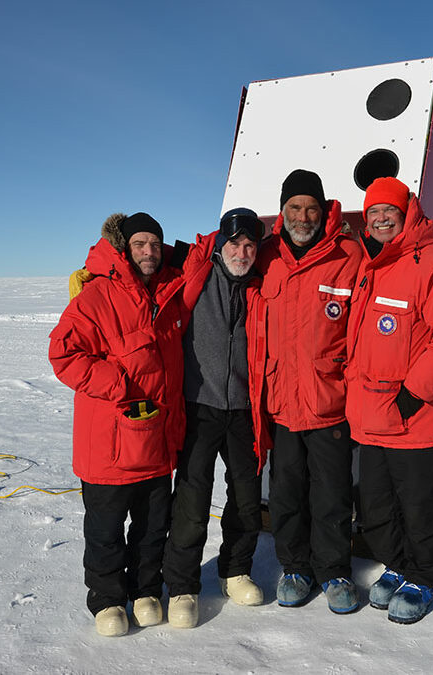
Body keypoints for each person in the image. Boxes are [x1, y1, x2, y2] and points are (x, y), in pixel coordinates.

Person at [346, 177, 433, 624]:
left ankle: (427, 576)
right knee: (379, 508)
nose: (381, 219)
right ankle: (400, 564)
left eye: (390, 211)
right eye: (373, 213)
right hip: (372, 415)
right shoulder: (371, 265)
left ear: (408, 213)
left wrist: (412, 395)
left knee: (424, 505)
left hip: (419, 414)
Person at [49, 212, 186, 637]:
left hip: (157, 439)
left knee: (151, 527)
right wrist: (119, 384)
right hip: (107, 444)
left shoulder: (168, 292)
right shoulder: (97, 296)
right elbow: (63, 354)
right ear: (125, 247)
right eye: (140, 243)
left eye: (155, 244)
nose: (149, 252)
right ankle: (107, 599)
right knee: (106, 531)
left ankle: (145, 590)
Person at [256, 169, 364, 613]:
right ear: (282, 212)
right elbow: (202, 263)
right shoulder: (266, 256)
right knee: (285, 495)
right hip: (281, 403)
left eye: (311, 208)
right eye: (295, 207)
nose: (303, 216)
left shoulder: (348, 255)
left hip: (329, 402)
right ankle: (295, 568)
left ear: (323, 211)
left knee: (332, 496)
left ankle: (335, 572)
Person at [162, 208, 271, 629]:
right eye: (235, 244)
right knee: (190, 501)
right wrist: (91, 278)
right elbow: (141, 262)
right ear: (219, 246)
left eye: (249, 246)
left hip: (245, 409)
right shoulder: (193, 273)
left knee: (245, 498)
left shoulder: (262, 286)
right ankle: (184, 586)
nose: (242, 252)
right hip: (199, 405)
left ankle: (235, 571)